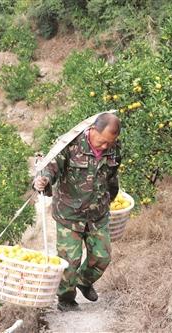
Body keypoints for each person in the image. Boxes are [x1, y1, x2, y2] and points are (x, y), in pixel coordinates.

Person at [34, 113, 122, 311]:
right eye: (102, 141)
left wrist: (110, 200)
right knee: (69, 263)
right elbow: (49, 168)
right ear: (92, 130)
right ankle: (66, 299)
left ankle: (83, 281)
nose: (105, 147)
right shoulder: (70, 145)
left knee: (102, 257)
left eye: (110, 142)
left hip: (97, 214)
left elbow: (112, 177)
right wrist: (43, 181)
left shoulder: (114, 149)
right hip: (69, 214)